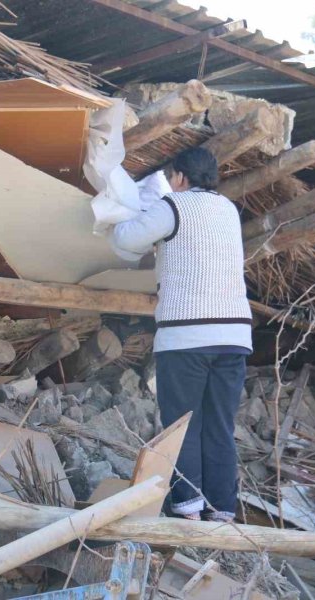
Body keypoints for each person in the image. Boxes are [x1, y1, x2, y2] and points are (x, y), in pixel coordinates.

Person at [110, 147, 252, 522]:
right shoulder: (228, 210)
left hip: (187, 336)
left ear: (179, 177)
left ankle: (188, 509)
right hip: (234, 335)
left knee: (182, 424)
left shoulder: (173, 205)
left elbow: (127, 239)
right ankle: (221, 512)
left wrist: (118, 216)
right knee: (219, 425)